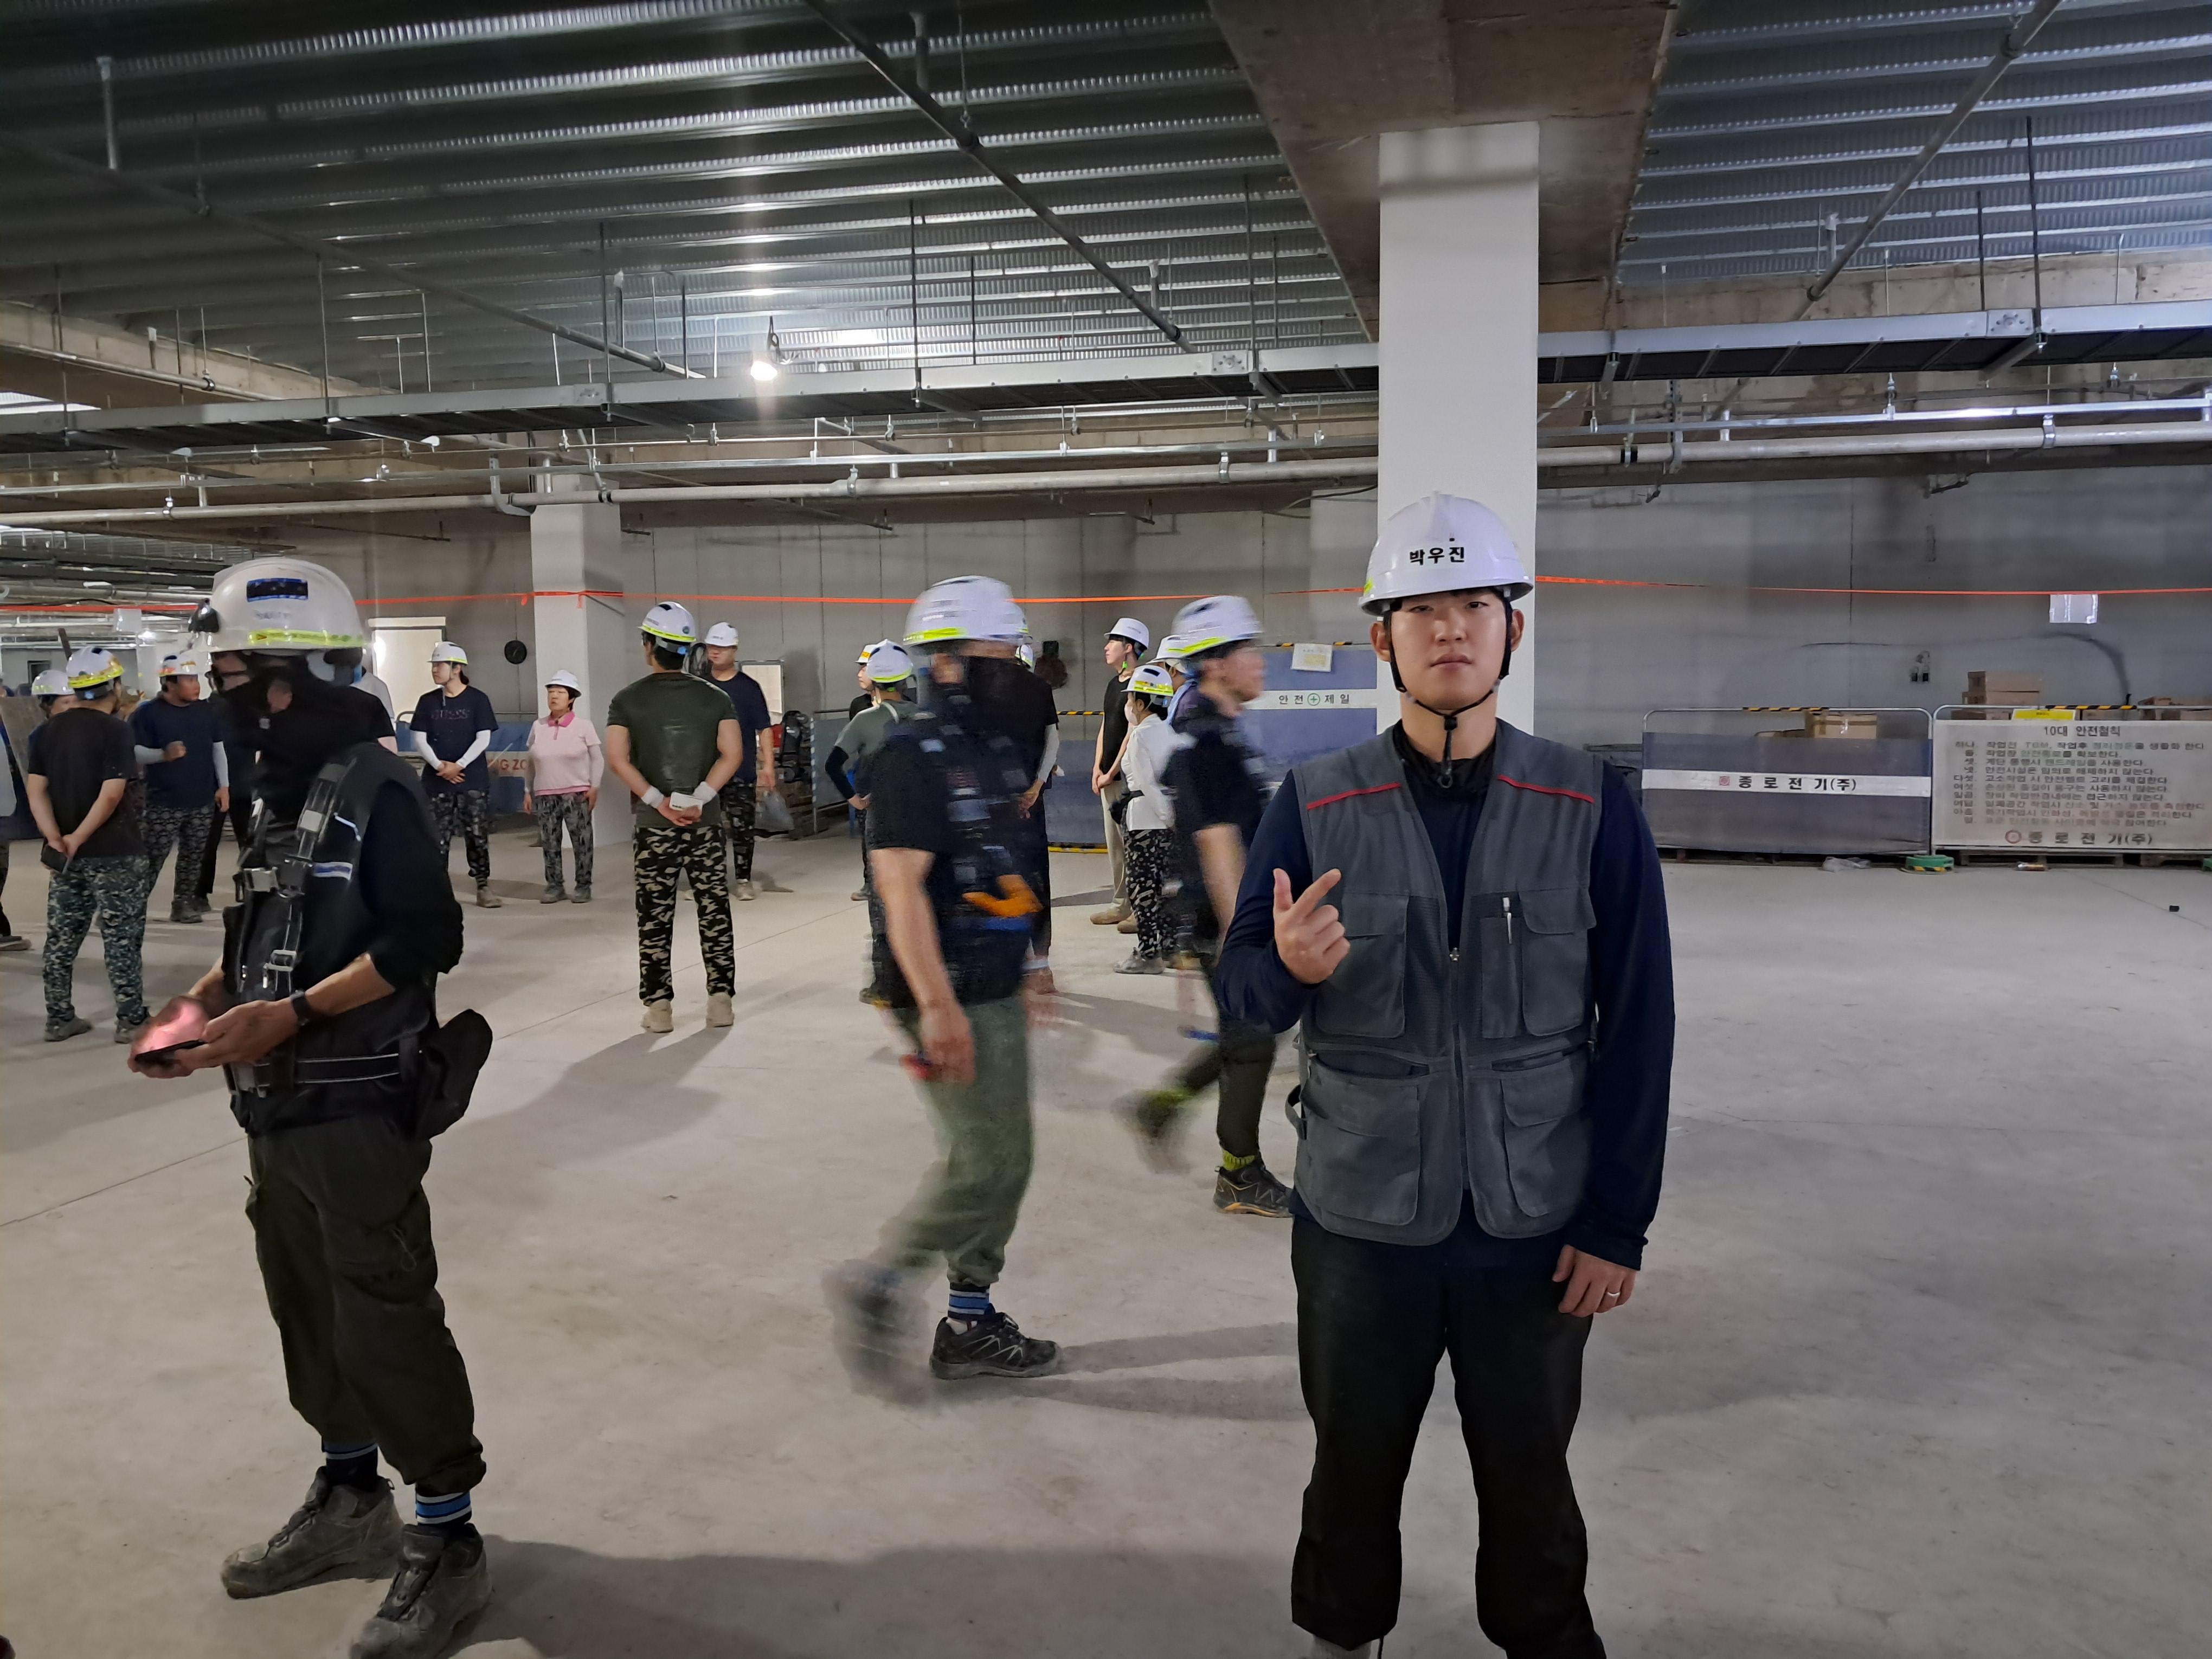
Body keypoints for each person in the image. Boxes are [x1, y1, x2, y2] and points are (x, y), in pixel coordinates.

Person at [1216, 494, 1675, 1659]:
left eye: (1475, 603)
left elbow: (1641, 1026)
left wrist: (1616, 1223)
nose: (1451, 629)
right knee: (1352, 1464)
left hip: (1534, 1222)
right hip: (1361, 1219)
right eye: (1422, 610)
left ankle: (1544, 1638)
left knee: (1530, 1473)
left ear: (1514, 626)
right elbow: (1243, 997)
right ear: (1384, 637)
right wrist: (1289, 969)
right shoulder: (1314, 804)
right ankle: (1343, 1637)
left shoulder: (1589, 804)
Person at [128, 556, 490, 1659]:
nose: (223, 695)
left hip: (355, 1109)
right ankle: (349, 1496)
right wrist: (200, 1008)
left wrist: (289, 1018)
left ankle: (447, 1534)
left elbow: (426, 940)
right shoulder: (277, 789)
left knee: (384, 1311)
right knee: (307, 1308)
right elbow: (261, 936)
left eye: (234, 675)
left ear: (288, 681)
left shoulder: (378, 787)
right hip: (272, 1113)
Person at [827, 575, 1059, 1384]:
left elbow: (1001, 859)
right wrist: (936, 1006)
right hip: (940, 986)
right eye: (1004, 656)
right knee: (983, 1162)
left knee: (1007, 1159)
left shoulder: (992, 751)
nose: (1017, 672)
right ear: (952, 662)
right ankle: (884, 1283)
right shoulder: (908, 756)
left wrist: (1032, 960)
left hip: (991, 975)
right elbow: (899, 890)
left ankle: (969, 1318)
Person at [1124, 596, 1290, 1218]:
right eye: (1249, 650)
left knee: (1249, 1037)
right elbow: (1220, 851)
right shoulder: (1209, 750)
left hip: (1222, 918)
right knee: (1252, 1042)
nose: (1260, 661)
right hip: (1220, 921)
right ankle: (1239, 1174)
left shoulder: (1220, 738)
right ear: (1217, 665)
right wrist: (1247, 946)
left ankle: (1161, 1108)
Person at [603, 601, 744, 1034]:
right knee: (714, 910)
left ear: (648, 645)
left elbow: (617, 758)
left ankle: (660, 1008)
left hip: (655, 828)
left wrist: (658, 801)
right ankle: (720, 1002)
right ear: (687, 650)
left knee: (654, 916)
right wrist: (699, 798)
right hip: (705, 824)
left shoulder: (627, 700)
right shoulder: (717, 698)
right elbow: (733, 754)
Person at [23, 648, 150, 1044]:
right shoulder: (116, 730)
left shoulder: (45, 732)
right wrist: (79, 836)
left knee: (62, 938)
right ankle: (131, 1020)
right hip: (115, 852)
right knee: (120, 936)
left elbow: (36, 791)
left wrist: (56, 839)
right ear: (114, 686)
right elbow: (111, 794)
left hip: (66, 858)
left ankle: (59, 1017)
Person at [968, 620, 1060, 982]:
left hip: (990, 803)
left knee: (996, 877)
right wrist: (1035, 788)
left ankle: (1005, 966)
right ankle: (1042, 963)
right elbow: (1052, 742)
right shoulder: (1039, 687)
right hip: (1030, 802)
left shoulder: (974, 688)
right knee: (1036, 876)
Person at [131, 651, 230, 925]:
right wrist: (162, 755)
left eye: (196, 679)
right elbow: (133, 751)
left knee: (193, 856)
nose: (196, 685)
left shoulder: (205, 712)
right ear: (169, 683)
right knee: (151, 858)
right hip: (163, 801)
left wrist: (224, 786)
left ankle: (183, 903)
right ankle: (130, 906)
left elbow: (218, 749)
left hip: (201, 798)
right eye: (188, 680)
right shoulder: (147, 714)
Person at [409, 643, 503, 910]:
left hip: (472, 779)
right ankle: (437, 889)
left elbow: (483, 738)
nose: (435, 670)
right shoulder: (427, 701)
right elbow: (419, 739)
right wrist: (440, 766)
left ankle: (483, 885)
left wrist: (459, 765)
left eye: (439, 665)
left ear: (457, 668)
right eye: (434, 666)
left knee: (477, 834)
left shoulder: (478, 700)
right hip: (437, 781)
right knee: (436, 837)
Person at [824, 641, 915, 909]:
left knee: (882, 885)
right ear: (905, 680)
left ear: (874, 679)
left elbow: (833, 765)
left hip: (878, 807)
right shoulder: (924, 716)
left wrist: (855, 800)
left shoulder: (864, 719)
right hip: (917, 808)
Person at [700, 621, 776, 903]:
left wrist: (768, 766)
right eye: (712, 646)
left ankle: (743, 879)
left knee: (743, 827)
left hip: (741, 771)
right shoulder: (700, 686)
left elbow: (764, 728)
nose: (715, 652)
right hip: (705, 771)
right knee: (708, 828)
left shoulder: (748, 688)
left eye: (721, 647)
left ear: (734, 650)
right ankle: (711, 879)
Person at [1113, 661, 1180, 974]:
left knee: (1142, 889)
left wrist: (1166, 816)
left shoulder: (1140, 736)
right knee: (1165, 889)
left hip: (1143, 821)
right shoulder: (1171, 734)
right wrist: (1174, 820)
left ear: (1141, 704)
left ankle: (1148, 954)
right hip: (1166, 823)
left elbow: (1146, 783)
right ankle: (1169, 949)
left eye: (1130, 699)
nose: (1128, 705)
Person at [1090, 616, 1151, 930]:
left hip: (1127, 776)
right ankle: (1120, 904)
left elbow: (1132, 730)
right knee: (1115, 844)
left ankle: (1141, 908)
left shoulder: (1141, 681)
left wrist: (1112, 771)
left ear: (1128, 647)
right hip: (1108, 776)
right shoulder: (1114, 683)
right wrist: (1097, 766)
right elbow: (1106, 725)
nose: (1106, 647)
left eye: (1112, 641)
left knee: (1135, 844)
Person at [522, 669, 600, 904]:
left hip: (576, 793)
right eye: (551, 692)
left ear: (571, 698)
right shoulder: (538, 726)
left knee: (582, 841)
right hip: (546, 794)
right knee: (549, 842)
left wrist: (594, 786)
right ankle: (554, 885)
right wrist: (528, 791)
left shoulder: (584, 726)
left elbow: (598, 759)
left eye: (560, 692)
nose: (554, 696)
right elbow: (531, 762)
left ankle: (583, 886)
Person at [192, 652, 260, 912]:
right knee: (232, 844)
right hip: (229, 786)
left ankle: (200, 895)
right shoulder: (211, 711)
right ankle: (247, 893)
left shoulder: (242, 710)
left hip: (231, 786)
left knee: (217, 844)